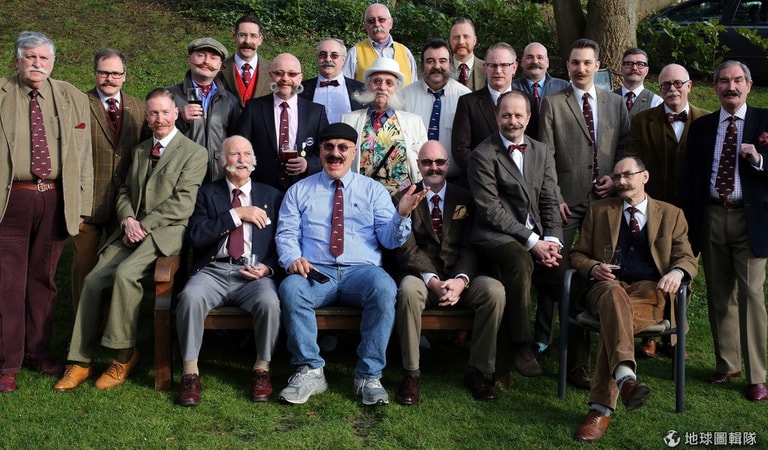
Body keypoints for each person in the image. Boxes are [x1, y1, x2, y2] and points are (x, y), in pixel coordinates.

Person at [54, 88, 207, 392]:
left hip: (165, 232)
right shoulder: (140, 151)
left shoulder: (194, 153)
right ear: (146, 117)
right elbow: (124, 191)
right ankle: (80, 360)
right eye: (153, 113)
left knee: (125, 275)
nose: (159, 119)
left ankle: (123, 356)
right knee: (93, 279)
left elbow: (182, 203)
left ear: (176, 114)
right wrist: (127, 220)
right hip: (131, 228)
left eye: (165, 112)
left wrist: (143, 226)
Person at [275, 122, 427, 406]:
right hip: (315, 272)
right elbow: (286, 234)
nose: (336, 153)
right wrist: (292, 258)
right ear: (320, 151)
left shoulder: (373, 191)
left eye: (343, 147)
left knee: (384, 287)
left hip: (362, 272)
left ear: (354, 152)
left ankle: (369, 376)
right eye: (329, 147)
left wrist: (402, 215)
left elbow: (390, 240)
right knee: (291, 288)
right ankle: (310, 370)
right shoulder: (299, 190)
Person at [569, 157, 697, 442]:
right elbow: (577, 253)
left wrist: (677, 272)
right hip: (607, 287)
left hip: (650, 292)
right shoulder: (599, 210)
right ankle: (622, 383)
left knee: (615, 318)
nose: (621, 181)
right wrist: (593, 267)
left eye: (628, 175)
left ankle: (607, 400)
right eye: (617, 177)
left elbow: (687, 257)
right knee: (614, 296)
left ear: (645, 177)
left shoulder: (672, 214)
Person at [0, 31, 93, 393]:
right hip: (12, 199)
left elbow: (83, 156)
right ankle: (8, 362)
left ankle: (38, 352)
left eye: (44, 58)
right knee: (8, 282)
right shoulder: (2, 93)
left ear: (52, 63)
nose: (37, 64)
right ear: (17, 60)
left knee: (44, 280)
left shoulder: (71, 96)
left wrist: (82, 205)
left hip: (55, 199)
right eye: (30, 57)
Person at [538, 38, 630, 388]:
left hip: (606, 202)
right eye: (575, 62)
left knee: (602, 274)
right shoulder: (552, 104)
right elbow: (545, 155)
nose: (580, 68)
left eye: (587, 63)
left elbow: (624, 147)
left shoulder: (614, 103)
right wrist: (555, 196)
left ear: (597, 65)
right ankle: (543, 340)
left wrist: (616, 180)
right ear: (567, 66)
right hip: (565, 204)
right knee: (556, 271)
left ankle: (592, 357)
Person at [681, 60, 768, 402]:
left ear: (748, 85)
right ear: (715, 87)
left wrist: (759, 160)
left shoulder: (765, 121)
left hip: (751, 219)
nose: (731, 87)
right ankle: (727, 364)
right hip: (713, 215)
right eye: (723, 81)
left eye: (737, 81)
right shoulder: (702, 127)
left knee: (751, 295)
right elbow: (690, 178)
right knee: (719, 294)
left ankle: (757, 375)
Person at [175, 136, 282, 407]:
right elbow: (196, 236)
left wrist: (268, 268)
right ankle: (190, 372)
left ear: (254, 161)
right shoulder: (207, 193)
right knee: (190, 297)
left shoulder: (271, 195)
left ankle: (262, 368)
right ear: (222, 161)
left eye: (247, 154)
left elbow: (283, 242)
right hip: (213, 270)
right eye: (234, 154)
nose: (241, 160)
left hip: (254, 274)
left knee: (270, 302)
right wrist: (237, 215)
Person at [394, 140, 505, 404]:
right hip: (423, 278)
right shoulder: (402, 198)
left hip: (460, 278)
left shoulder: (465, 197)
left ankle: (477, 371)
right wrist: (432, 281)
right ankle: (411, 373)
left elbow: (472, 244)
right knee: (407, 290)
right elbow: (406, 248)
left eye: (439, 162)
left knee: (494, 291)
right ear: (418, 165)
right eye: (427, 162)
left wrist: (461, 280)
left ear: (447, 164)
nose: (434, 167)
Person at [467, 91, 563, 380]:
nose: (513, 121)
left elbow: (550, 200)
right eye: (506, 115)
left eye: (518, 115)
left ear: (528, 118)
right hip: (495, 236)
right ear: (497, 117)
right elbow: (491, 211)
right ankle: (523, 344)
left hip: (538, 238)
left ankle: (578, 361)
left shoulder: (541, 151)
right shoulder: (482, 155)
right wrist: (533, 242)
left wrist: (553, 241)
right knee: (520, 261)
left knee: (571, 274)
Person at [625, 64, 709, 358]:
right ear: (659, 89)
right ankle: (650, 334)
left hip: (692, 211)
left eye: (677, 83)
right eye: (665, 85)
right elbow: (633, 160)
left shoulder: (706, 120)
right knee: (653, 267)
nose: (672, 89)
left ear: (689, 86)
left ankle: (674, 337)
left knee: (683, 270)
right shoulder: (642, 120)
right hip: (653, 209)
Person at [72, 48, 146, 313]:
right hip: (86, 204)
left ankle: (109, 325)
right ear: (94, 73)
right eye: (104, 73)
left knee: (118, 269)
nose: (110, 78)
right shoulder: (78, 105)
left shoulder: (140, 107)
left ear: (125, 75)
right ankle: (83, 329)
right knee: (84, 268)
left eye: (116, 73)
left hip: (125, 206)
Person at [236, 53, 328, 191]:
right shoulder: (253, 108)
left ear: (300, 77)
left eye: (292, 74)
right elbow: (239, 146)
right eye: (279, 73)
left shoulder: (316, 112)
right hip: (261, 188)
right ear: (271, 75)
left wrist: (308, 164)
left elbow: (327, 150)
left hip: (304, 188)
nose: (285, 79)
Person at [452, 42, 538, 180]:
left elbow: (535, 145)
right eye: (493, 65)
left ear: (514, 67)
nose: (498, 71)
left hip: (521, 182)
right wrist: (486, 176)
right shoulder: (468, 103)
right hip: (481, 182)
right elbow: (460, 150)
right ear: (485, 67)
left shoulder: (530, 102)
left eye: (504, 65)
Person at [341, 57, 427, 194]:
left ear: (396, 89)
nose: (382, 87)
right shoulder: (348, 120)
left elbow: (424, 163)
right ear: (368, 85)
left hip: (402, 198)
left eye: (389, 83)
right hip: (359, 196)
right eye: (377, 81)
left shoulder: (414, 122)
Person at [168, 37, 240, 183]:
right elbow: (149, 135)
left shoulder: (230, 101)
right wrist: (180, 120)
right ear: (189, 59)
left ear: (220, 65)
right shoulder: (169, 96)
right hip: (181, 175)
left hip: (218, 177)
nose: (206, 61)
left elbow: (236, 140)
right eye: (201, 55)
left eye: (213, 58)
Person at [401, 39, 470, 183]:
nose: (436, 66)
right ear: (422, 65)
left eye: (442, 61)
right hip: (414, 181)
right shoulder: (404, 98)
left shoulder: (465, 97)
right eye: (430, 61)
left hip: (455, 182)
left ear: (450, 64)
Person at [343, 3, 418, 85]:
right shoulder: (355, 53)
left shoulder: (406, 53)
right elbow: (344, 86)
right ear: (365, 26)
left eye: (381, 20)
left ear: (391, 23)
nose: (377, 24)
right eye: (371, 21)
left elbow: (415, 86)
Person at [300, 38, 365, 123]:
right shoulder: (301, 89)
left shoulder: (361, 89)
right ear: (317, 58)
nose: (328, 59)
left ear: (344, 59)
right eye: (323, 55)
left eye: (334, 55)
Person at [219, 15, 272, 108]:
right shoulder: (218, 69)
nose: (247, 41)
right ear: (234, 37)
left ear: (260, 40)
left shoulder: (273, 70)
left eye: (253, 36)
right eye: (242, 35)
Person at [511, 42, 569, 111]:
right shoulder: (511, 88)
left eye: (540, 58)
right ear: (522, 62)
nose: (535, 61)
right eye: (530, 57)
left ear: (547, 63)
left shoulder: (563, 87)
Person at [614, 48, 662, 118]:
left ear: (646, 70)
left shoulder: (656, 102)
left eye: (640, 64)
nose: (634, 68)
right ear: (621, 69)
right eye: (629, 64)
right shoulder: (608, 99)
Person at [449, 17, 485, 91]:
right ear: (450, 40)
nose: (461, 42)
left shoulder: (487, 69)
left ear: (474, 40)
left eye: (466, 36)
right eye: (456, 37)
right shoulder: (441, 70)